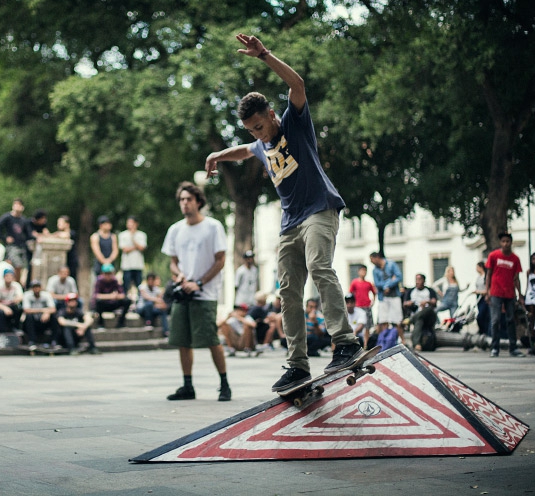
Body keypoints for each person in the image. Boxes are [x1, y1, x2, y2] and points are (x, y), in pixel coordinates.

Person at [204, 33, 363, 393]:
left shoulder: (294, 123)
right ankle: (297, 365)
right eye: (252, 130)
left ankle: (346, 341)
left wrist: (265, 56)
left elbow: (297, 84)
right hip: (290, 224)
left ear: (272, 115)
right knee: (287, 291)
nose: (258, 135)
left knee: (320, 268)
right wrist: (217, 156)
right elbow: (244, 150)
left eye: (260, 126)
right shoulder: (259, 144)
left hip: (320, 209)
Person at [161, 181, 231, 402]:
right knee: (182, 340)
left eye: (188, 199)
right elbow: (172, 262)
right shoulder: (175, 229)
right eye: (181, 200)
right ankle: (188, 386)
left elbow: (220, 261)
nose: (184, 203)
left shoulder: (213, 226)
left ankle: (224, 384)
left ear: (198, 201)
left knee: (211, 339)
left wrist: (199, 283)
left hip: (205, 293)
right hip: (183, 292)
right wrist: (179, 276)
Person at [486, 232, 526, 358]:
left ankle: (513, 348)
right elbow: (488, 274)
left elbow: (517, 278)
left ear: (511, 243)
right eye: (503, 241)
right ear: (500, 243)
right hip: (496, 292)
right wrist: (487, 291)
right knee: (495, 320)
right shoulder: (494, 256)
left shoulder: (515, 258)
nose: (505, 244)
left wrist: (520, 294)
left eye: (507, 241)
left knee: (511, 320)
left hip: (509, 293)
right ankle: (495, 348)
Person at [0, 198, 33, 285]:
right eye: (16, 204)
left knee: (25, 267)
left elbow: (28, 233)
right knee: (17, 266)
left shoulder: (23, 219)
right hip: (12, 246)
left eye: (19, 205)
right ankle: (17, 284)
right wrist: (4, 238)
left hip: (22, 246)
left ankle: (21, 285)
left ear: (22, 207)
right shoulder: (7, 217)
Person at [370, 252, 405, 339]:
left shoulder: (391, 264)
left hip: (394, 296)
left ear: (377, 257)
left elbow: (399, 276)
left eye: (372, 260)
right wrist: (388, 283)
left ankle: (402, 340)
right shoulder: (375, 270)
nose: (372, 262)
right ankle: (385, 340)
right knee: (383, 320)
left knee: (397, 320)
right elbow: (377, 283)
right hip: (383, 297)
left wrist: (388, 285)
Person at [403, 274, 438, 352]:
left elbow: (435, 302)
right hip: (417, 314)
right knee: (419, 320)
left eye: (419, 280)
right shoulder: (411, 291)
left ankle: (411, 319)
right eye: (416, 280)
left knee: (427, 309)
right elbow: (404, 303)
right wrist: (409, 303)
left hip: (429, 316)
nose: (417, 282)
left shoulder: (429, 290)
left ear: (424, 281)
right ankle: (417, 344)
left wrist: (427, 301)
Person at [92, 263, 131, 328]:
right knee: (98, 301)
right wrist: (110, 296)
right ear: (103, 273)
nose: (108, 276)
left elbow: (123, 295)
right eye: (106, 273)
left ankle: (121, 323)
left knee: (127, 301)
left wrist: (116, 296)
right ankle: (100, 324)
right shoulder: (99, 280)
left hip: (113, 303)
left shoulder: (115, 280)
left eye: (109, 273)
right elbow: (96, 295)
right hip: (103, 305)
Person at [22, 279, 57, 347]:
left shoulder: (46, 295)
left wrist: (47, 313)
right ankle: (32, 341)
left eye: (38, 287)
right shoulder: (27, 295)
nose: (36, 289)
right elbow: (26, 310)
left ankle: (54, 340)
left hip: (44, 321)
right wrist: (44, 310)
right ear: (32, 288)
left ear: (41, 288)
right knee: (29, 316)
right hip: (33, 322)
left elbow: (53, 309)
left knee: (54, 317)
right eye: (34, 287)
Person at [118, 215, 147, 296]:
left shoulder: (142, 235)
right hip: (127, 265)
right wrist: (136, 247)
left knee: (139, 286)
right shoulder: (122, 235)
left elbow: (142, 248)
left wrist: (133, 239)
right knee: (126, 286)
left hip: (138, 265)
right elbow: (124, 249)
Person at [50, 215, 79, 283]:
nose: (58, 225)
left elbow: (65, 235)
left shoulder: (72, 233)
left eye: (60, 223)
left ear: (67, 224)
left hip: (71, 261)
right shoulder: (58, 234)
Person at [349, 264, 377, 333]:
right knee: (358, 324)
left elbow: (374, 292)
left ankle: (365, 343)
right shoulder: (354, 282)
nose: (363, 272)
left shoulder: (368, 283)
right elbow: (350, 293)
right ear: (358, 272)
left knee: (367, 325)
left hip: (367, 306)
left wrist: (373, 301)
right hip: (358, 306)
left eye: (365, 271)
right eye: (362, 271)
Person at [474, 261, 490, 335]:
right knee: (481, 314)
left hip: (484, 297)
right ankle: (483, 330)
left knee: (481, 316)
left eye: (477, 267)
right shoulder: (478, 277)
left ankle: (485, 331)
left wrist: (479, 292)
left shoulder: (486, 276)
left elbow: (487, 289)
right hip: (479, 298)